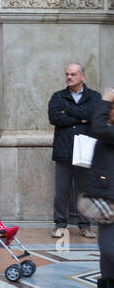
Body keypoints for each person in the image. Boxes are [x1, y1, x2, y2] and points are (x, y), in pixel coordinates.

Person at [48, 63, 99, 239]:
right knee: (61, 191)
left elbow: (94, 115)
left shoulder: (94, 96)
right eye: (67, 74)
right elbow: (54, 117)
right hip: (64, 149)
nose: (69, 77)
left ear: (82, 76)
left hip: (85, 149)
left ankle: (85, 226)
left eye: (73, 74)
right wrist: (82, 119)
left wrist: (68, 111)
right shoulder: (58, 96)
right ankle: (60, 224)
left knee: (85, 190)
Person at [77, 86, 114, 288]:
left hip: (111, 196)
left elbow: (97, 127)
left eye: (111, 109)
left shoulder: (108, 130)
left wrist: (106, 100)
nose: (109, 112)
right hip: (106, 195)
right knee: (105, 250)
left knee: (109, 247)